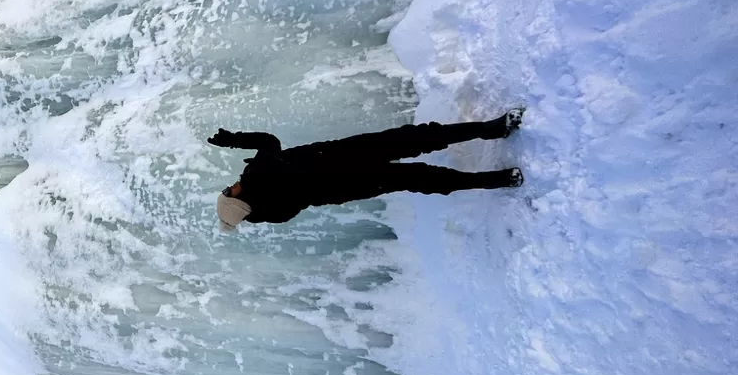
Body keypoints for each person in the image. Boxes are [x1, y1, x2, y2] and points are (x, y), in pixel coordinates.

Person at [211, 110, 524, 230]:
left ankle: (497, 178)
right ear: (238, 201)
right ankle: (493, 129)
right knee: (421, 139)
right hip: (344, 155)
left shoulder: (273, 212)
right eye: (228, 192)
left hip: (351, 186)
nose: (229, 186)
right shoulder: (257, 176)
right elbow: (270, 141)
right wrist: (235, 141)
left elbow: (286, 178)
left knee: (420, 177)